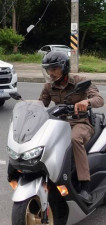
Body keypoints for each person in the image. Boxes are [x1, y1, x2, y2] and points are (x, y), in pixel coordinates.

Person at [39, 51, 104, 204]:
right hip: (58, 124)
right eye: (48, 69)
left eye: (55, 69)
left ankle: (85, 186)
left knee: (74, 139)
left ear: (64, 67)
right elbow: (41, 105)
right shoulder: (49, 86)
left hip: (81, 122)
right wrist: (28, 106)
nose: (51, 73)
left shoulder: (81, 81)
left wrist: (86, 103)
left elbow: (99, 99)